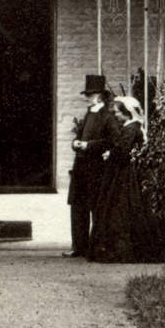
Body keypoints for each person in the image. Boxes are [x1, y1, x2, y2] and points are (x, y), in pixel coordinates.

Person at [95, 93, 152, 262]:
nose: (116, 115)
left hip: (128, 175)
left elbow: (123, 151)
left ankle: (125, 251)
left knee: (123, 211)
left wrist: (109, 154)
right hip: (125, 173)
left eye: (118, 112)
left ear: (127, 112)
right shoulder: (131, 127)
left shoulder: (131, 128)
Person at [67, 74, 116, 256]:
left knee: (96, 207)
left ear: (99, 96)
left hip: (96, 169)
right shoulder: (88, 114)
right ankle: (79, 246)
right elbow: (79, 135)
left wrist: (89, 145)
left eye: (90, 94)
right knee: (78, 207)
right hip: (80, 168)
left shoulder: (107, 117)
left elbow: (112, 141)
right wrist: (76, 143)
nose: (87, 98)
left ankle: (96, 247)